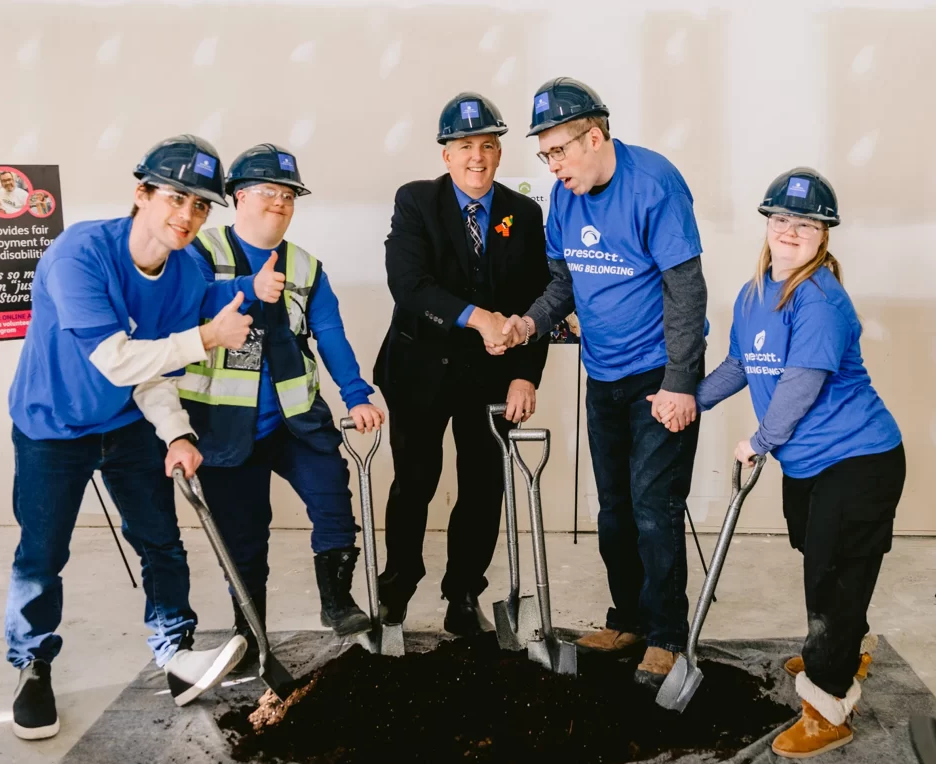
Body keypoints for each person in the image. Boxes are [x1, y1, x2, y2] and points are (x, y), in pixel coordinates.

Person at [5, 135, 252, 741]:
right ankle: (33, 666)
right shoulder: (79, 254)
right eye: (175, 198)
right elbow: (116, 360)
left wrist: (177, 433)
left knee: (160, 542)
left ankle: (176, 656)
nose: (187, 215)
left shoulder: (188, 271)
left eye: (201, 205)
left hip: (125, 424)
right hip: (51, 425)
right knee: (42, 556)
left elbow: (153, 371)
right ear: (141, 193)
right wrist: (208, 338)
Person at [655, 167, 904, 757]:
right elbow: (742, 365)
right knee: (819, 556)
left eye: (807, 224)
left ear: (824, 235)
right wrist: (689, 398)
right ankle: (843, 647)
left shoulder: (820, 299)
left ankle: (828, 706)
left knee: (833, 574)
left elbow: (801, 384)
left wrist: (759, 440)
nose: (791, 231)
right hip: (809, 462)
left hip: (858, 458)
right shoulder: (753, 294)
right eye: (782, 219)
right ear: (768, 223)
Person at [491, 77, 708, 688]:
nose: (554, 166)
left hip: (658, 375)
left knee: (653, 508)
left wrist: (680, 382)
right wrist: (528, 324)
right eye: (545, 156)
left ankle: (667, 637)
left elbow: (686, 290)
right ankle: (629, 621)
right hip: (604, 372)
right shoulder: (567, 198)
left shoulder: (655, 185)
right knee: (613, 510)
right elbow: (564, 284)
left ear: (595, 136)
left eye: (559, 150)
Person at [179, 143, 384, 671]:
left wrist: (357, 395)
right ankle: (250, 632)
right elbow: (182, 306)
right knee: (244, 538)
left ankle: (337, 602)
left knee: (333, 501)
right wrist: (247, 287)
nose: (281, 202)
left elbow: (330, 335)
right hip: (224, 429)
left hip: (296, 422)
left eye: (289, 195)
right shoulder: (200, 251)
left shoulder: (307, 267)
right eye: (269, 191)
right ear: (238, 197)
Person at [373, 92, 551, 635]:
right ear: (446, 154)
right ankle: (397, 588)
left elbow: (537, 299)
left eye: (489, 145)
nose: (478, 156)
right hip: (419, 371)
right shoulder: (416, 201)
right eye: (466, 145)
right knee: (414, 484)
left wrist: (524, 375)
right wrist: (479, 319)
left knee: (482, 488)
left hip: (490, 376)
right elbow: (409, 285)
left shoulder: (524, 214)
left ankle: (464, 593)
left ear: (500, 153)